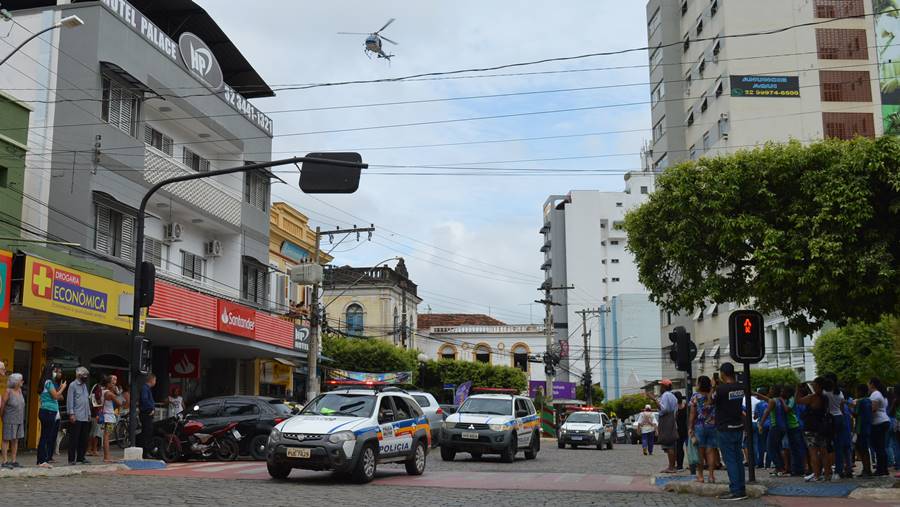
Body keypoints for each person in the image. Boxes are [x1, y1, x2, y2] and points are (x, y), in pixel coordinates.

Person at [713, 363, 747, 501]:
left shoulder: (721, 389)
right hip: (738, 426)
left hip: (725, 428)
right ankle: (741, 488)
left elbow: (710, 401)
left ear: (722, 374)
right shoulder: (741, 387)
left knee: (730, 460)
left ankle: (736, 491)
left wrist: (714, 386)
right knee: (738, 459)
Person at [797, 377, 832, 482]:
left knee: (813, 452)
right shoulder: (825, 397)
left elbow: (798, 401)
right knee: (824, 452)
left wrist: (797, 389)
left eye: (813, 384)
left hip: (811, 427)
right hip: (822, 427)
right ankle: (826, 475)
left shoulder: (812, 397)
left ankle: (816, 475)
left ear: (817, 386)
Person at [36, 364, 67, 468]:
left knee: (44, 436)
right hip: (49, 411)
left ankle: (41, 460)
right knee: (46, 436)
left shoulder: (43, 382)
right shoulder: (48, 382)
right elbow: (55, 396)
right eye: (54, 371)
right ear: (50, 371)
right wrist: (62, 388)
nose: (55, 373)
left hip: (45, 410)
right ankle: (42, 460)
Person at [689, 375, 718, 483]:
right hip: (712, 426)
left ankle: (700, 476)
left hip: (699, 426)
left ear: (700, 384)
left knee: (700, 452)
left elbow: (693, 414)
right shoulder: (713, 396)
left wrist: (690, 427)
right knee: (711, 451)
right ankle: (711, 476)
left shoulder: (695, 396)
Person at [647, 379, 679, 473]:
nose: (660, 388)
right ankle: (672, 466)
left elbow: (663, 409)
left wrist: (654, 400)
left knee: (668, 444)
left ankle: (671, 467)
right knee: (672, 445)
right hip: (672, 419)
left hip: (666, 420)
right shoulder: (673, 396)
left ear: (665, 387)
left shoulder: (665, 395)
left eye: (661, 386)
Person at [823, 374, 852, 479]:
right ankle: (841, 470)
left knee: (827, 445)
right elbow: (842, 408)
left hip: (830, 419)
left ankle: (828, 469)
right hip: (840, 417)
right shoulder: (839, 392)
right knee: (840, 445)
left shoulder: (824, 393)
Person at [66, 366, 92, 465]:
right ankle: (71, 459)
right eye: (84, 375)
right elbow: (70, 400)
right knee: (74, 438)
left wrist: (89, 413)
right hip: (76, 415)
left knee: (84, 438)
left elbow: (86, 400)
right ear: (79, 375)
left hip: (85, 416)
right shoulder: (73, 385)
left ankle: (81, 457)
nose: (85, 377)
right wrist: (71, 413)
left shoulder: (84, 386)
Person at [1, 373, 26, 468]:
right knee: (6, 439)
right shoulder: (8, 391)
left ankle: (14, 460)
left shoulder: (19, 390)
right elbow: (3, 405)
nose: (22, 382)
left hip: (19, 419)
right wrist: (2, 416)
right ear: (16, 382)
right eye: (21, 380)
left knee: (15, 440)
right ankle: (4, 461)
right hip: (9, 419)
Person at [869, 377, 890, 476]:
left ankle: (881, 469)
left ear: (872, 384)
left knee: (878, 447)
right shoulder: (880, 394)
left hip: (878, 422)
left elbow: (873, 409)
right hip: (883, 421)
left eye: (869, 383)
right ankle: (884, 469)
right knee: (881, 446)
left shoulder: (875, 394)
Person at [852, 384, 873, 477]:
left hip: (860, 428)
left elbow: (855, 414)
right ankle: (867, 469)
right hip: (867, 427)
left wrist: (849, 408)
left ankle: (866, 470)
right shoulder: (869, 400)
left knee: (861, 449)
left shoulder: (860, 402)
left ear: (860, 391)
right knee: (865, 449)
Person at [100, 375, 121, 463]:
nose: (114, 384)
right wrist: (116, 392)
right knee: (107, 436)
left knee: (106, 436)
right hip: (109, 416)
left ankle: (107, 456)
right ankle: (106, 457)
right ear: (108, 384)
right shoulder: (109, 393)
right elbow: (119, 402)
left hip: (105, 415)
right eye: (112, 383)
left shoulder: (102, 391)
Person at [140, 373, 157, 458]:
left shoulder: (147, 389)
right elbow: (144, 399)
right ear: (152, 380)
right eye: (155, 380)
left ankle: (148, 451)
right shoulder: (145, 388)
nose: (155, 382)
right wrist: (151, 408)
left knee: (148, 432)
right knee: (147, 432)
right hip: (146, 413)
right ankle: (145, 452)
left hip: (147, 413)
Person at [754, 387, 771, 469]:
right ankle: (768, 463)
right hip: (770, 424)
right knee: (769, 445)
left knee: (760, 444)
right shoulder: (770, 403)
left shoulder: (758, 404)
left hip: (761, 425)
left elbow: (755, 416)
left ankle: (760, 463)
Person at [675, 391, 688, 471]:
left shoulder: (675, 407)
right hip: (686, 429)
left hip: (678, 430)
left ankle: (680, 465)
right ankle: (692, 464)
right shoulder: (686, 406)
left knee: (679, 448)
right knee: (688, 447)